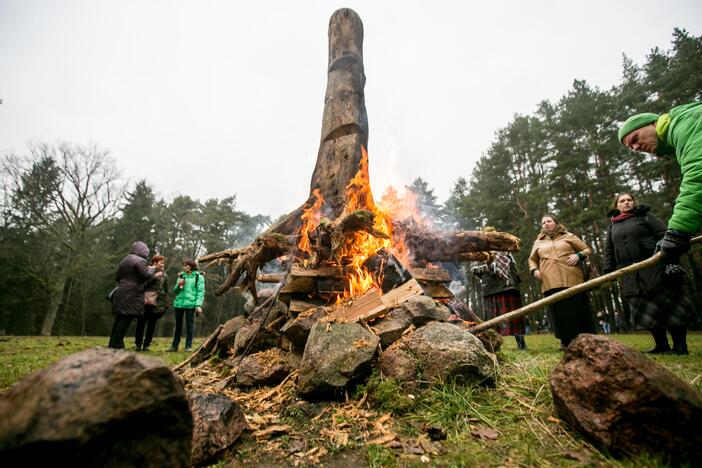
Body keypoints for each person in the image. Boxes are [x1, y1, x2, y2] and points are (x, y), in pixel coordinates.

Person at [603, 193, 694, 355]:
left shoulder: (646, 217)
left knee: (670, 307)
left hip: (656, 268)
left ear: (634, 203)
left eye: (629, 200)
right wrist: (608, 269)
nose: (626, 203)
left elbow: (664, 236)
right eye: (622, 201)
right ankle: (661, 345)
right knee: (646, 310)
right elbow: (609, 250)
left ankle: (680, 346)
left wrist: (669, 260)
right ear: (616, 206)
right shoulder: (612, 227)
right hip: (631, 273)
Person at [618, 102, 702, 259]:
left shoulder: (685, 125)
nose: (636, 147)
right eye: (631, 147)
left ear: (654, 123)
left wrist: (678, 231)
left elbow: (698, 175)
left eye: (635, 138)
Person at [528, 214, 598, 349]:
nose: (546, 224)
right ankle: (565, 341)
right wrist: (535, 270)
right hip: (549, 281)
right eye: (543, 223)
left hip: (573, 278)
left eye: (549, 221)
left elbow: (587, 249)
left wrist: (578, 255)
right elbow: (532, 259)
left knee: (578, 308)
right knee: (558, 312)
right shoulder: (538, 242)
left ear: (556, 223)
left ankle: (587, 339)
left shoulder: (568, 236)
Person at [471, 242, 527, 350]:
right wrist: (487, 265)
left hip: (506, 287)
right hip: (490, 288)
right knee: (492, 320)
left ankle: (521, 343)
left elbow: (511, 270)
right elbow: (476, 271)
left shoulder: (505, 251)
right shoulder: (480, 255)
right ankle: (492, 345)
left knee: (514, 316)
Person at [108, 241, 162, 349]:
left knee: (119, 318)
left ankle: (113, 343)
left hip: (121, 290)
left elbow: (117, 277)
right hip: (132, 293)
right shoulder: (140, 261)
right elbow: (145, 275)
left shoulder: (125, 259)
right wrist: (153, 269)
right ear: (143, 251)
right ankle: (117, 345)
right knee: (126, 318)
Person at [167, 259, 204, 352]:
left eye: (186, 266)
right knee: (178, 325)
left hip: (191, 304)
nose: (184, 267)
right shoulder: (181, 276)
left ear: (191, 267)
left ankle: (188, 346)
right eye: (183, 265)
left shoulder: (198, 277)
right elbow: (175, 291)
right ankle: (174, 346)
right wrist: (179, 285)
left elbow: (200, 292)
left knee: (189, 326)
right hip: (179, 304)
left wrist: (198, 305)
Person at [134, 254, 169, 351]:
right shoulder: (147, 272)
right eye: (161, 263)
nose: (162, 265)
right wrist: (154, 277)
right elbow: (142, 285)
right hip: (144, 302)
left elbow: (165, 291)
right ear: (154, 263)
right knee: (141, 323)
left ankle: (146, 345)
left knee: (152, 325)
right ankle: (138, 344)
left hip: (157, 304)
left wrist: (165, 304)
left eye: (163, 263)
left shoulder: (165, 275)